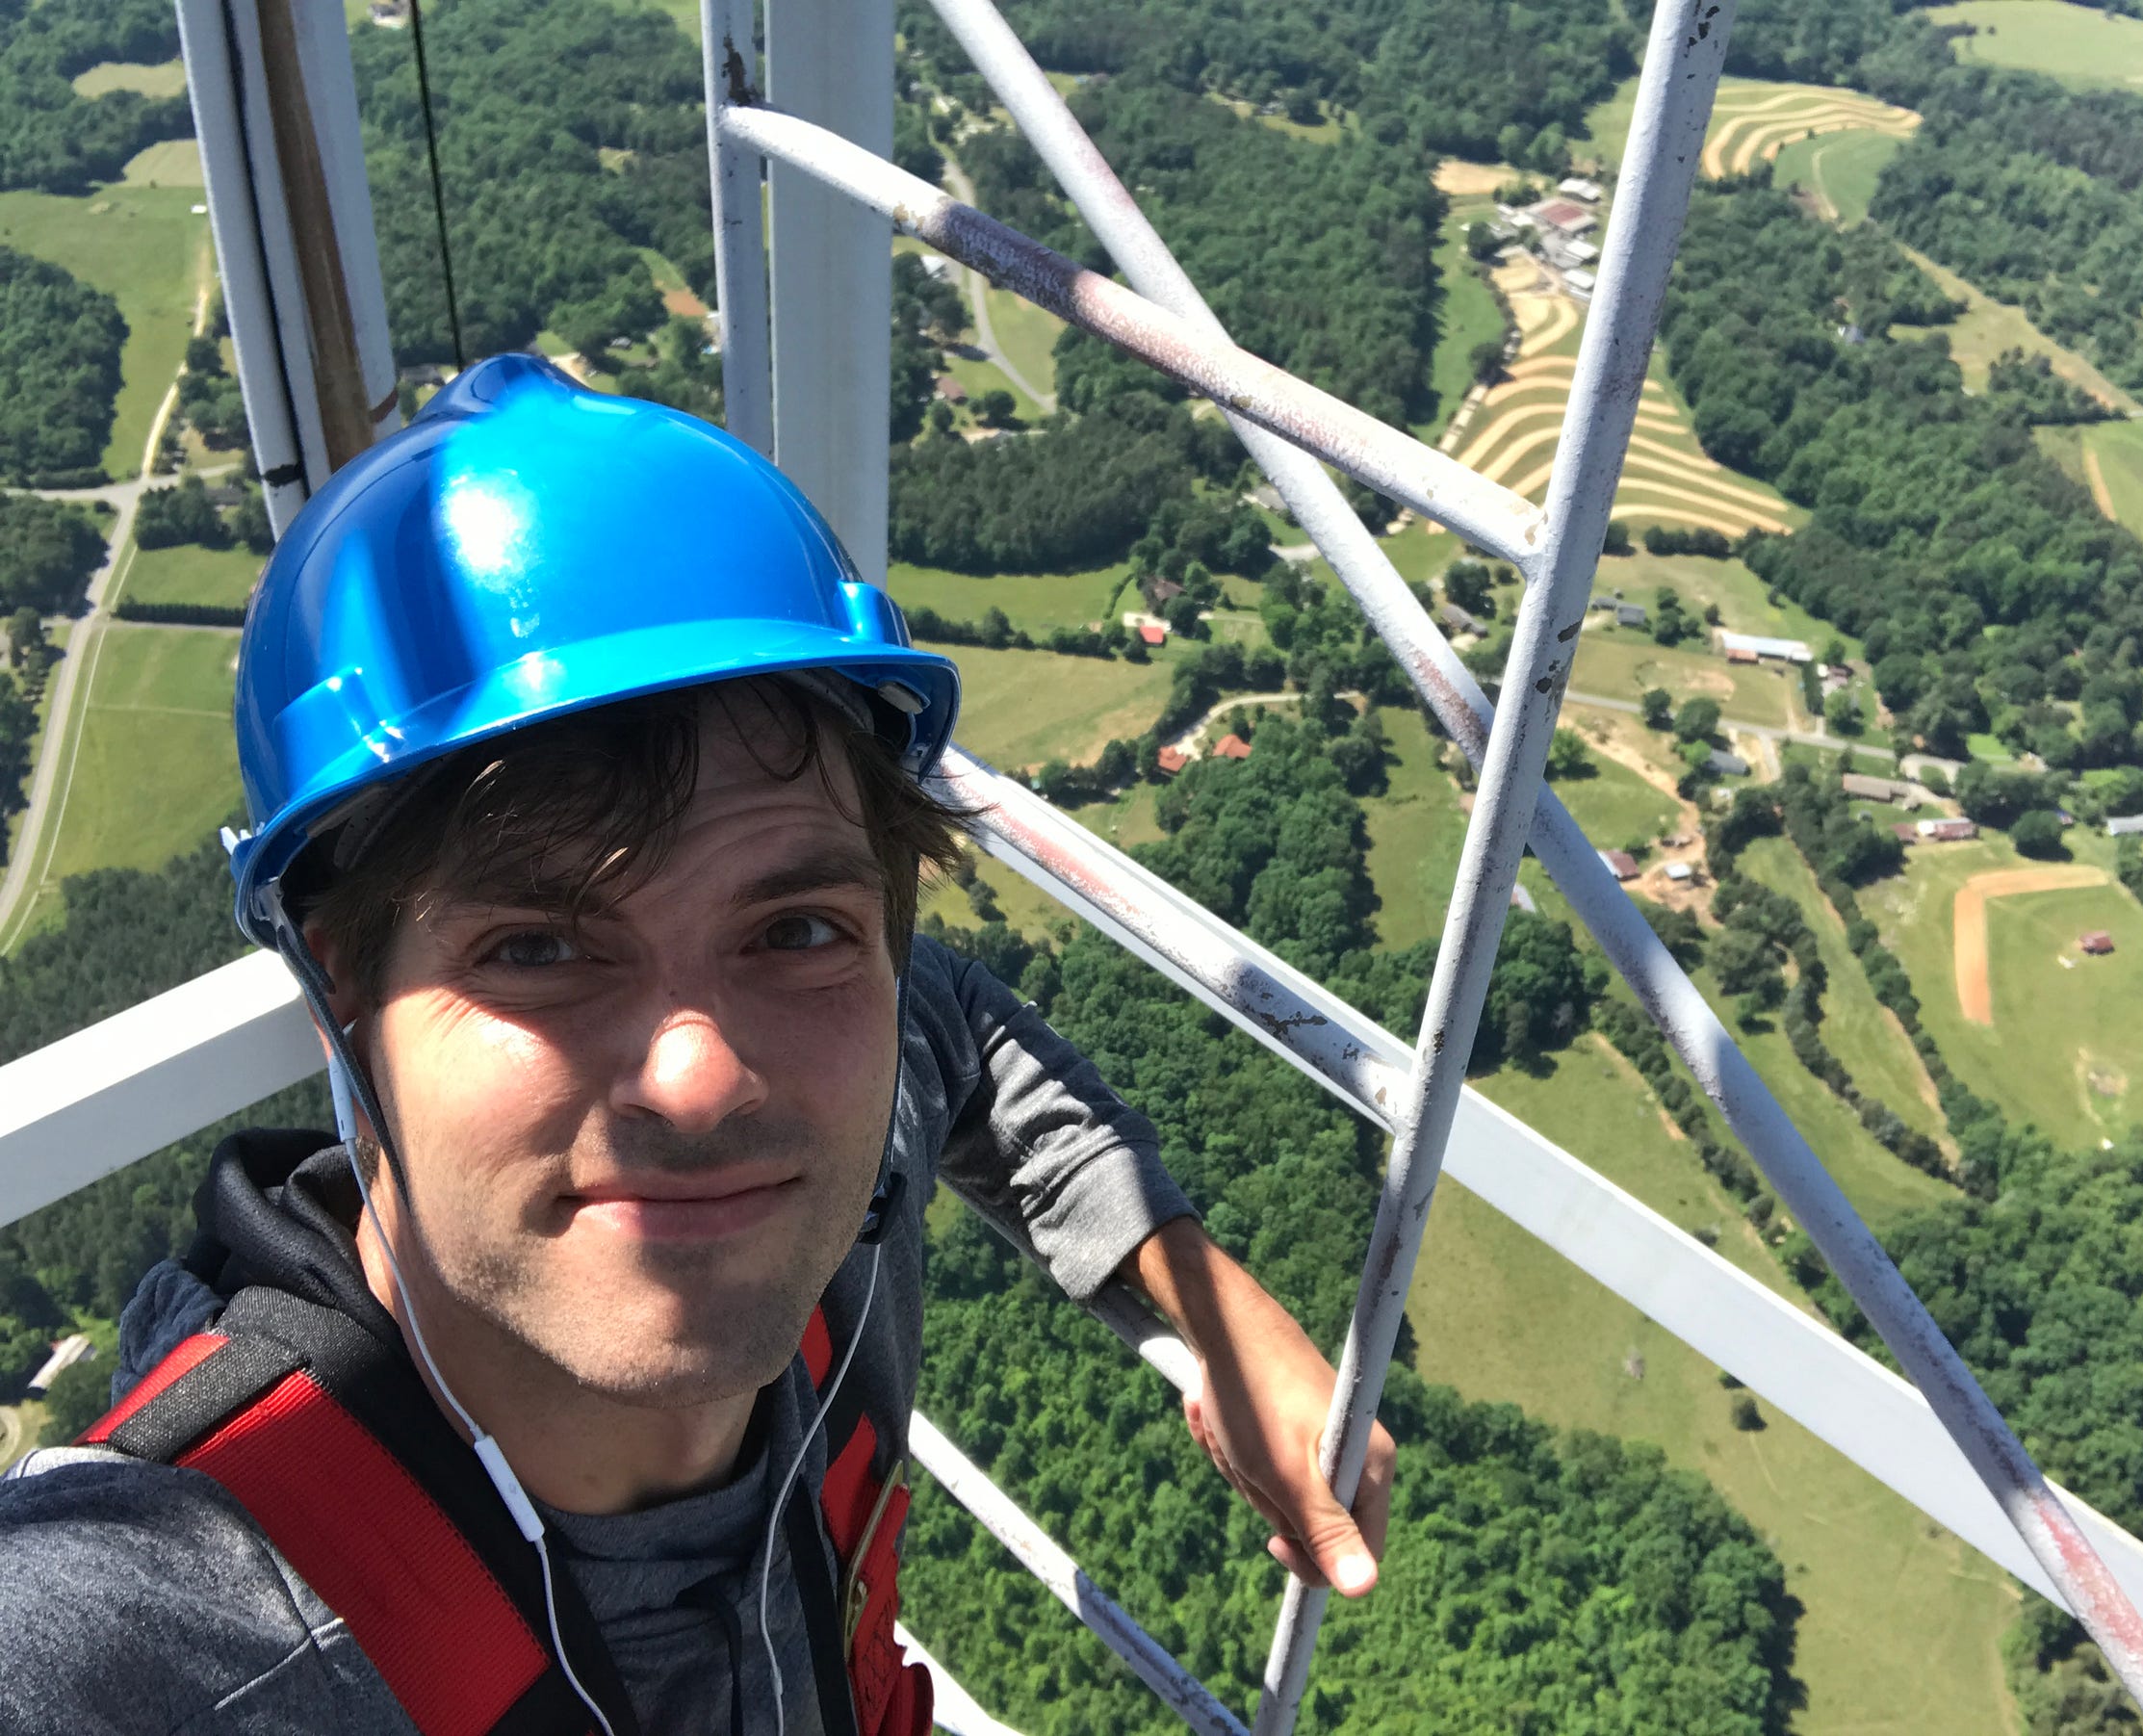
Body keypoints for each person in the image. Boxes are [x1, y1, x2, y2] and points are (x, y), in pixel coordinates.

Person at [0, 356, 1394, 1734]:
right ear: (340, 990)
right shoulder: (177, 1621)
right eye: (538, 948)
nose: (704, 1080)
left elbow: (957, 1035)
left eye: (795, 929)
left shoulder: (844, 1189)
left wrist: (1213, 1309)